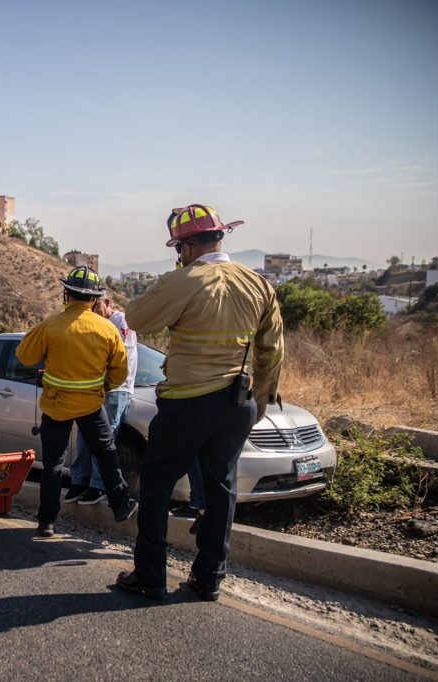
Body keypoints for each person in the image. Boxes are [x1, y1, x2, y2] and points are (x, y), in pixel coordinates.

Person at [117, 204, 284, 601]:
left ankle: (150, 576)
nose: (178, 255)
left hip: (189, 402)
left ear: (188, 248)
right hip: (237, 403)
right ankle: (209, 578)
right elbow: (273, 350)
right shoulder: (258, 283)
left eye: (178, 249)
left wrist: (174, 280)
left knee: (156, 482)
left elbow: (137, 319)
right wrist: (260, 401)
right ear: (220, 238)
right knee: (221, 487)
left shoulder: (186, 279)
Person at [16, 266, 138, 537]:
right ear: (94, 299)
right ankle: (120, 506)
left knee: (54, 464)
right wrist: (102, 386)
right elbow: (119, 372)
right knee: (106, 454)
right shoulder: (107, 329)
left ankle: (46, 521)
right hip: (91, 407)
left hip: (56, 406)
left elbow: (24, 355)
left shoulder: (51, 325)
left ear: (66, 294)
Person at [64, 296, 138, 506]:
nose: (93, 310)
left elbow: (111, 353)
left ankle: (98, 486)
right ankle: (80, 480)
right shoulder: (97, 322)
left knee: (105, 438)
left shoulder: (120, 320)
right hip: (95, 389)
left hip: (117, 389)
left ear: (107, 302)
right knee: (84, 436)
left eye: (96, 305)